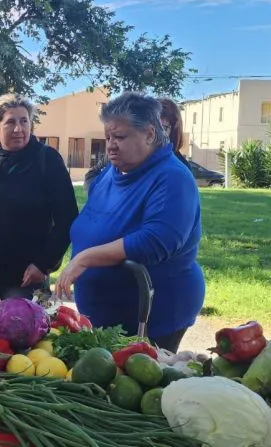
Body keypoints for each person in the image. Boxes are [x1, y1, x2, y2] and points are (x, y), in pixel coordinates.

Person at [55, 92, 205, 352]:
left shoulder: (172, 178)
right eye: (108, 137)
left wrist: (85, 258)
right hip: (103, 316)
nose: (111, 145)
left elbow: (156, 241)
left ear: (149, 134)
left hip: (151, 319)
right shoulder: (112, 173)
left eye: (120, 137)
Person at [0, 95, 79, 299]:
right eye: (10, 122)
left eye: (24, 121)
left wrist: (44, 263)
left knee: (21, 330)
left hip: (25, 279)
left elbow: (67, 218)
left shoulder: (46, 160)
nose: (18, 129)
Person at [84, 97, 188, 191]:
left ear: (174, 130)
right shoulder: (122, 153)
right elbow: (91, 174)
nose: (156, 132)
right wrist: (100, 194)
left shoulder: (179, 170)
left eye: (162, 127)